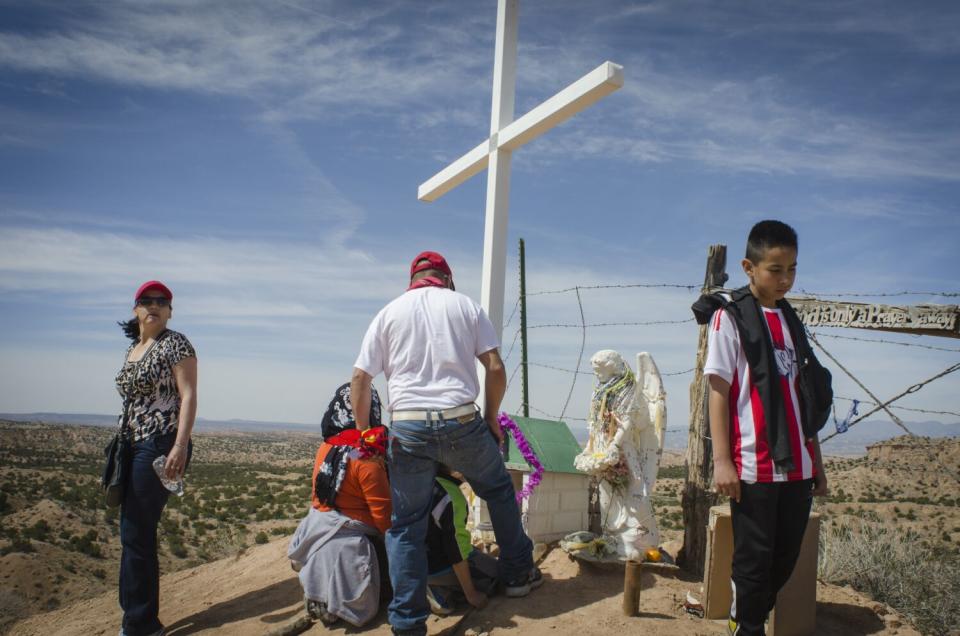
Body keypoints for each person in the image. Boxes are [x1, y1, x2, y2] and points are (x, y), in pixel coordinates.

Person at [350, 250, 540, 636]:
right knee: (499, 492)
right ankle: (518, 575)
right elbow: (496, 368)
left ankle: (407, 623)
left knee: (406, 526)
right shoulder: (466, 306)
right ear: (447, 279)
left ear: (413, 280)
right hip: (461, 421)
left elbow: (360, 379)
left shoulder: (389, 313)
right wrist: (490, 418)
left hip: (409, 429)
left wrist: (365, 433)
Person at [692, 221, 828, 636]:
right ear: (749, 267)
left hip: (798, 465)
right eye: (775, 269)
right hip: (753, 464)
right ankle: (747, 625)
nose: (785, 279)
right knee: (754, 559)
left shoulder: (790, 320)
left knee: (785, 556)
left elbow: (803, 396)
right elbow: (718, 389)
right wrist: (722, 461)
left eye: (792, 269)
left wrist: (817, 461)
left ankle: (747, 612)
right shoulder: (730, 318)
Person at [115, 280, 197, 636]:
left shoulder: (176, 343)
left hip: (161, 442)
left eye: (162, 301)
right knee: (132, 532)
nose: (155, 305)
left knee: (137, 530)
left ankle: (141, 623)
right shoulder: (135, 348)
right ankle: (136, 618)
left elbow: (189, 395)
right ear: (136, 309)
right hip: (131, 444)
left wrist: (180, 445)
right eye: (147, 301)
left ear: (169, 310)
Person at [287, 383, 391, 628]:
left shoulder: (326, 449)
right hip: (355, 538)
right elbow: (384, 520)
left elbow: (318, 499)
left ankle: (320, 594)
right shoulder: (367, 459)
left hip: (319, 531)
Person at [573, 350, 666, 560]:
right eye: (595, 371)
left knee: (634, 491)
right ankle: (613, 536)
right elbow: (595, 421)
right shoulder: (599, 390)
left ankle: (640, 538)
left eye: (600, 370)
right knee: (606, 495)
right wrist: (592, 446)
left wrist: (614, 445)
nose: (597, 374)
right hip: (602, 446)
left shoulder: (628, 389)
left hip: (624, 449)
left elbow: (628, 422)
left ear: (613, 366)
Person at [424, 468, 498, 615]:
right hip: (437, 565)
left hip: (413, 561)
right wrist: (472, 594)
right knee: (498, 575)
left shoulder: (422, 481)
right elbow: (456, 549)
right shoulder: (450, 496)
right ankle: (435, 588)